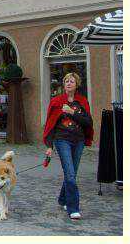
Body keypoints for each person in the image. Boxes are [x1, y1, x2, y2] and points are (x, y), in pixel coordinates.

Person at [43, 72, 93, 221]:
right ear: (63, 85)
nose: (69, 83)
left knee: (72, 173)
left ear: (76, 84)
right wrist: (49, 146)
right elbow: (50, 125)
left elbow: (88, 122)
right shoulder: (56, 102)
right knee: (70, 174)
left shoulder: (82, 102)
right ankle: (73, 208)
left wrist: (72, 113)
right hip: (62, 140)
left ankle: (63, 199)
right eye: (66, 81)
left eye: (71, 81)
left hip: (78, 141)